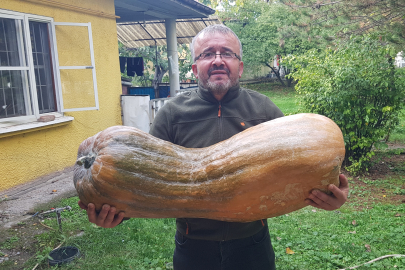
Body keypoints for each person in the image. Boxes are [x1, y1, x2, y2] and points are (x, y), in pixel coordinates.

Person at [79, 24, 349, 270]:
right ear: (195, 68)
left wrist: (333, 196)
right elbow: (143, 180)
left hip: (253, 246)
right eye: (208, 54)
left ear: (239, 66)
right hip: (193, 249)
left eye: (227, 53)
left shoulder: (263, 109)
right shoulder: (172, 114)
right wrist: (115, 214)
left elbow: (304, 161)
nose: (218, 60)